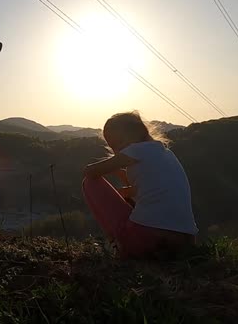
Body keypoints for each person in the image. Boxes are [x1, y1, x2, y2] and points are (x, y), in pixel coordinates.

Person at [83, 111, 198, 259]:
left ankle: (117, 244)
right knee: (128, 198)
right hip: (185, 242)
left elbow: (90, 172)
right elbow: (147, 189)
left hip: (147, 239)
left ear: (134, 134)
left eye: (117, 143)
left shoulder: (136, 150)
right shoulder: (165, 153)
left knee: (90, 183)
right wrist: (121, 180)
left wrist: (111, 166)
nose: (117, 150)